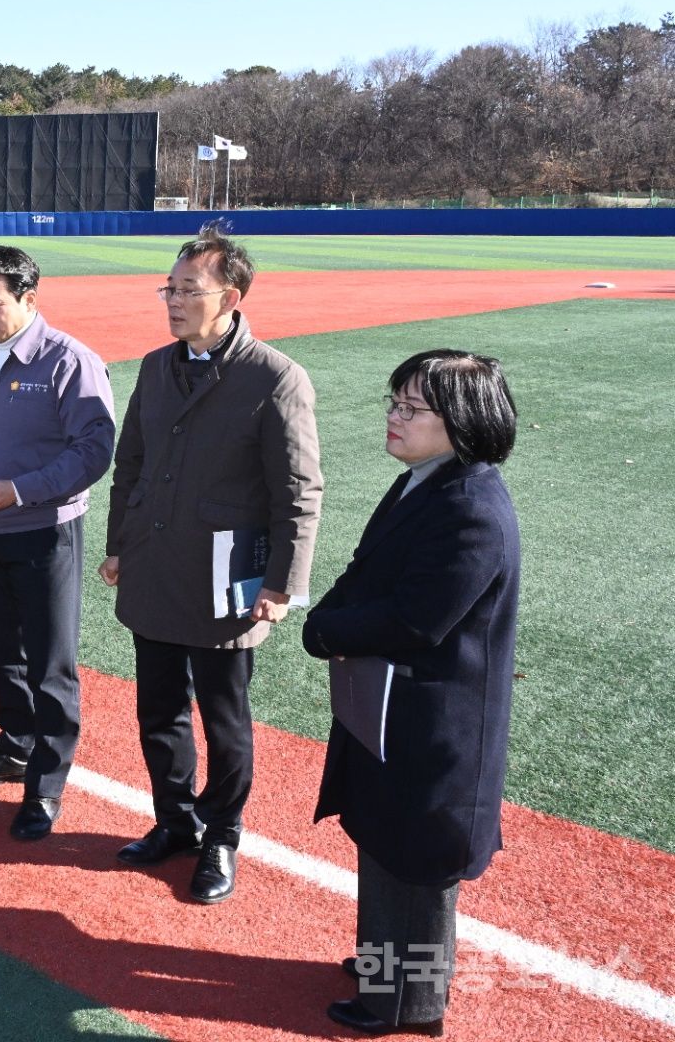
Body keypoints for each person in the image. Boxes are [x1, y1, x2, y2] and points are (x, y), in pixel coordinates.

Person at [99, 223, 323, 904]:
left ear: (230, 296)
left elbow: (298, 490)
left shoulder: (275, 377)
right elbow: (130, 462)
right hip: (155, 564)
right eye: (168, 288)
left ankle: (221, 832)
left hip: (228, 581)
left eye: (186, 289)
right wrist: (117, 544)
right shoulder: (156, 366)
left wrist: (284, 583)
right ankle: (175, 821)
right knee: (158, 711)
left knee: (225, 721)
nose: (171, 299)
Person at [303, 350, 521, 1037]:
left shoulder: (471, 508)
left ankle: (407, 1003)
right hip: (396, 705)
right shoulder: (427, 482)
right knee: (384, 836)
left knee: (418, 858)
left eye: (410, 408)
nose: (394, 418)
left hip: (435, 719)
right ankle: (383, 965)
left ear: (460, 421)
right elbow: (368, 573)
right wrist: (329, 618)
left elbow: (416, 619)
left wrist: (326, 628)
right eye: (393, 403)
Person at [0, 246, 115, 840]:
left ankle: (47, 784)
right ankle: (15, 744)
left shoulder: (71, 362)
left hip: (45, 530)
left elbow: (94, 450)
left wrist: (22, 491)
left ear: (28, 299)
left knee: (50, 663)